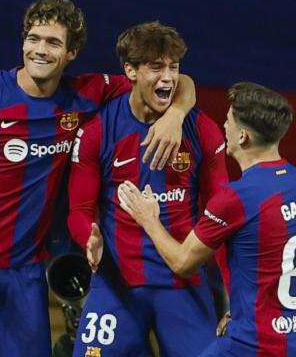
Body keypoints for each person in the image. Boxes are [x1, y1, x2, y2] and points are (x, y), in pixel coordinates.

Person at [0, 0, 196, 355]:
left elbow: (178, 80)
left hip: (26, 273)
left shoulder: (85, 94)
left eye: (53, 43)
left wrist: (175, 116)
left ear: (72, 52)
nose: (40, 50)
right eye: (33, 39)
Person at [118, 82, 296, 356]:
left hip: (255, 346)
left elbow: (183, 263)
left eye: (227, 120)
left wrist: (148, 219)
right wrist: (242, 313)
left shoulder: (236, 197)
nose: (223, 126)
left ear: (242, 137)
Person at [67, 21, 229, 357]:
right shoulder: (98, 131)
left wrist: (235, 296)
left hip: (183, 286)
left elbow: (222, 216)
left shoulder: (202, 130)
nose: (168, 77)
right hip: (117, 285)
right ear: (130, 71)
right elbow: (78, 211)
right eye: (156, 67)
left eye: (174, 67)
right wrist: (89, 236)